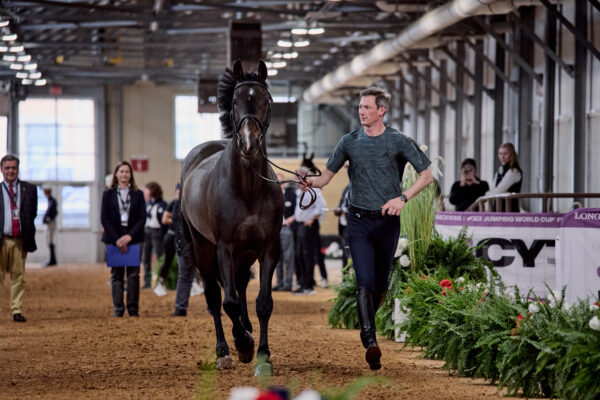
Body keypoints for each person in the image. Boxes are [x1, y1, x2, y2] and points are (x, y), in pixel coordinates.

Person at [297, 87, 433, 370]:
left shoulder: (399, 140)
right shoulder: (348, 142)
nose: (361, 111)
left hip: (387, 221)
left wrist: (402, 198)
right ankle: (370, 340)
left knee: (380, 286)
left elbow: (427, 176)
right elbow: (325, 178)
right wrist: (309, 182)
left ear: (382, 110)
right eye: (360, 107)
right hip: (358, 221)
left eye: (367, 107)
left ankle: (369, 327)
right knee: (364, 282)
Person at [101, 161, 146, 317]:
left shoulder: (138, 194)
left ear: (130, 175)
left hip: (133, 238)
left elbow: (142, 218)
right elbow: (104, 218)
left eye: (127, 172)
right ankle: (118, 309)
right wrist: (117, 239)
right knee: (116, 275)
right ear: (116, 174)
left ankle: (133, 309)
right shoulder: (108, 194)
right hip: (114, 240)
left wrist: (129, 236)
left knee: (133, 275)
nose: (124, 174)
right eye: (121, 171)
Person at [0, 155, 38, 323]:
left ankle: (17, 310)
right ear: (1, 170)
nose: (11, 171)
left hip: (20, 240)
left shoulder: (29, 189)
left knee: (19, 277)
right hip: (1, 240)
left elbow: (32, 213)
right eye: (7, 168)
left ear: (18, 169)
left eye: (14, 168)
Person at [290, 166, 326, 295]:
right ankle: (303, 283)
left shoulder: (314, 188)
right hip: (300, 225)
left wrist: (312, 219)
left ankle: (308, 285)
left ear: (303, 175)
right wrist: (294, 218)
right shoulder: (299, 190)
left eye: (296, 176)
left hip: (309, 226)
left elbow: (321, 207)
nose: (294, 179)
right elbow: (300, 209)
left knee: (307, 255)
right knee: (300, 255)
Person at [170, 187, 203, 316]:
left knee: (205, 275)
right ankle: (180, 307)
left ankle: (212, 307)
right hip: (184, 244)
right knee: (184, 275)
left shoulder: (200, 202)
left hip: (199, 245)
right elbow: (176, 224)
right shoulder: (178, 204)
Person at [273, 174, 296, 292]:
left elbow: (299, 210)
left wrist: (292, 219)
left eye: (281, 182)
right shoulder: (271, 196)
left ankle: (288, 283)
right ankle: (279, 282)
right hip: (274, 230)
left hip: (286, 228)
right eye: (277, 182)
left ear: (285, 183)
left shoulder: (291, 195)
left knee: (288, 257)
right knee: (277, 258)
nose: (279, 184)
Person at [142, 182, 167, 289]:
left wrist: (162, 234)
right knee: (145, 257)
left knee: (160, 257)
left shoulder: (162, 204)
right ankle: (147, 282)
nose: (144, 192)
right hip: (146, 232)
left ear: (152, 191)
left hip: (157, 233)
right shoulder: (147, 204)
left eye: (146, 190)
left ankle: (160, 281)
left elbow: (164, 223)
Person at [486, 142, 523, 212]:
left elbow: (499, 189)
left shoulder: (514, 171)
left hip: (509, 209)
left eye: (505, 154)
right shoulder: (500, 169)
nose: (502, 156)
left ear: (511, 155)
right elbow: (494, 189)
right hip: (498, 207)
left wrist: (484, 195)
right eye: (500, 153)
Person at [334, 183, 350, 267]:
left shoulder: (358, 188)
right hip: (343, 224)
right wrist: (338, 209)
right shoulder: (347, 187)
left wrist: (343, 210)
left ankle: (352, 272)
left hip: (352, 224)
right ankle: (345, 273)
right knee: (344, 250)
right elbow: (342, 203)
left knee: (349, 250)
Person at [42, 184, 58, 266]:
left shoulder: (52, 201)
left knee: (50, 240)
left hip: (51, 223)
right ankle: (52, 259)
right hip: (49, 223)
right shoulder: (49, 200)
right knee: (48, 240)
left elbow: (54, 212)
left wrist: (47, 218)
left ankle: (52, 260)